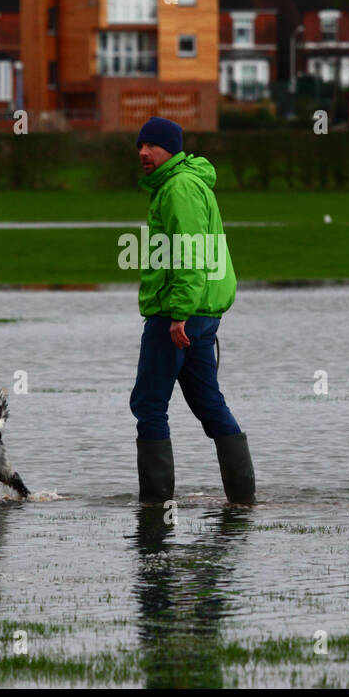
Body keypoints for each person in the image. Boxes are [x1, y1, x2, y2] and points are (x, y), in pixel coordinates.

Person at [128, 115, 255, 505]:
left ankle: (154, 507)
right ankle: (242, 500)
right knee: (208, 403)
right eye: (139, 146)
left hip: (178, 315)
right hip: (200, 314)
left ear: (171, 148)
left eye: (151, 145)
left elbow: (190, 252)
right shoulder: (187, 182)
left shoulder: (179, 187)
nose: (143, 152)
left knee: (149, 404)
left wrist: (179, 312)